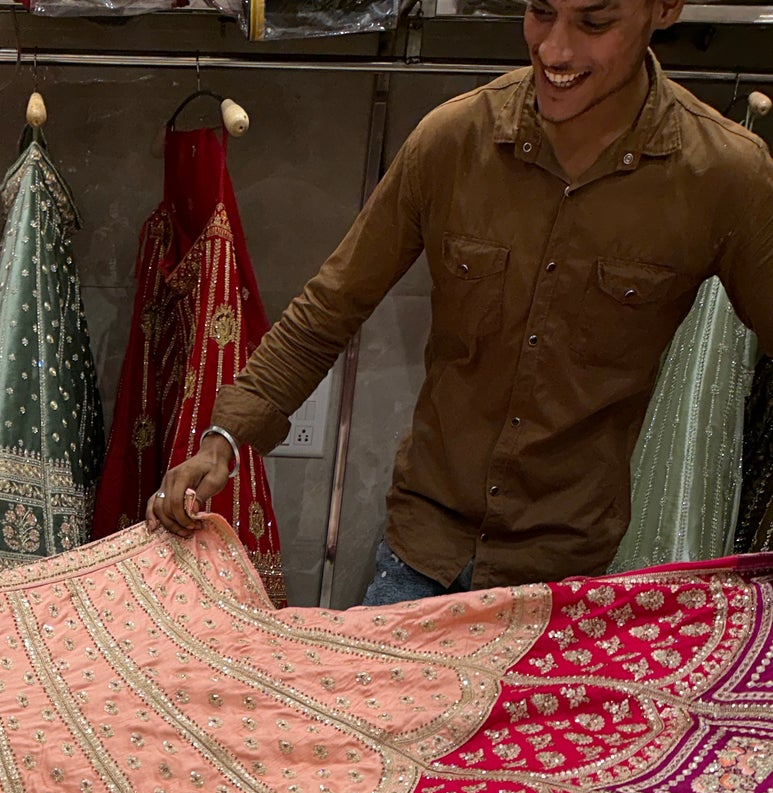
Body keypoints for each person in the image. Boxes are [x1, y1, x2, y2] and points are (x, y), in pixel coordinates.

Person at [148, 0, 773, 605]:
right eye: (540, 11)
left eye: (595, 21)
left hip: (565, 578)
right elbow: (329, 308)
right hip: (420, 556)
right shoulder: (453, 140)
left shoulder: (723, 176)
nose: (555, 49)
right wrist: (224, 438)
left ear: (664, 9)